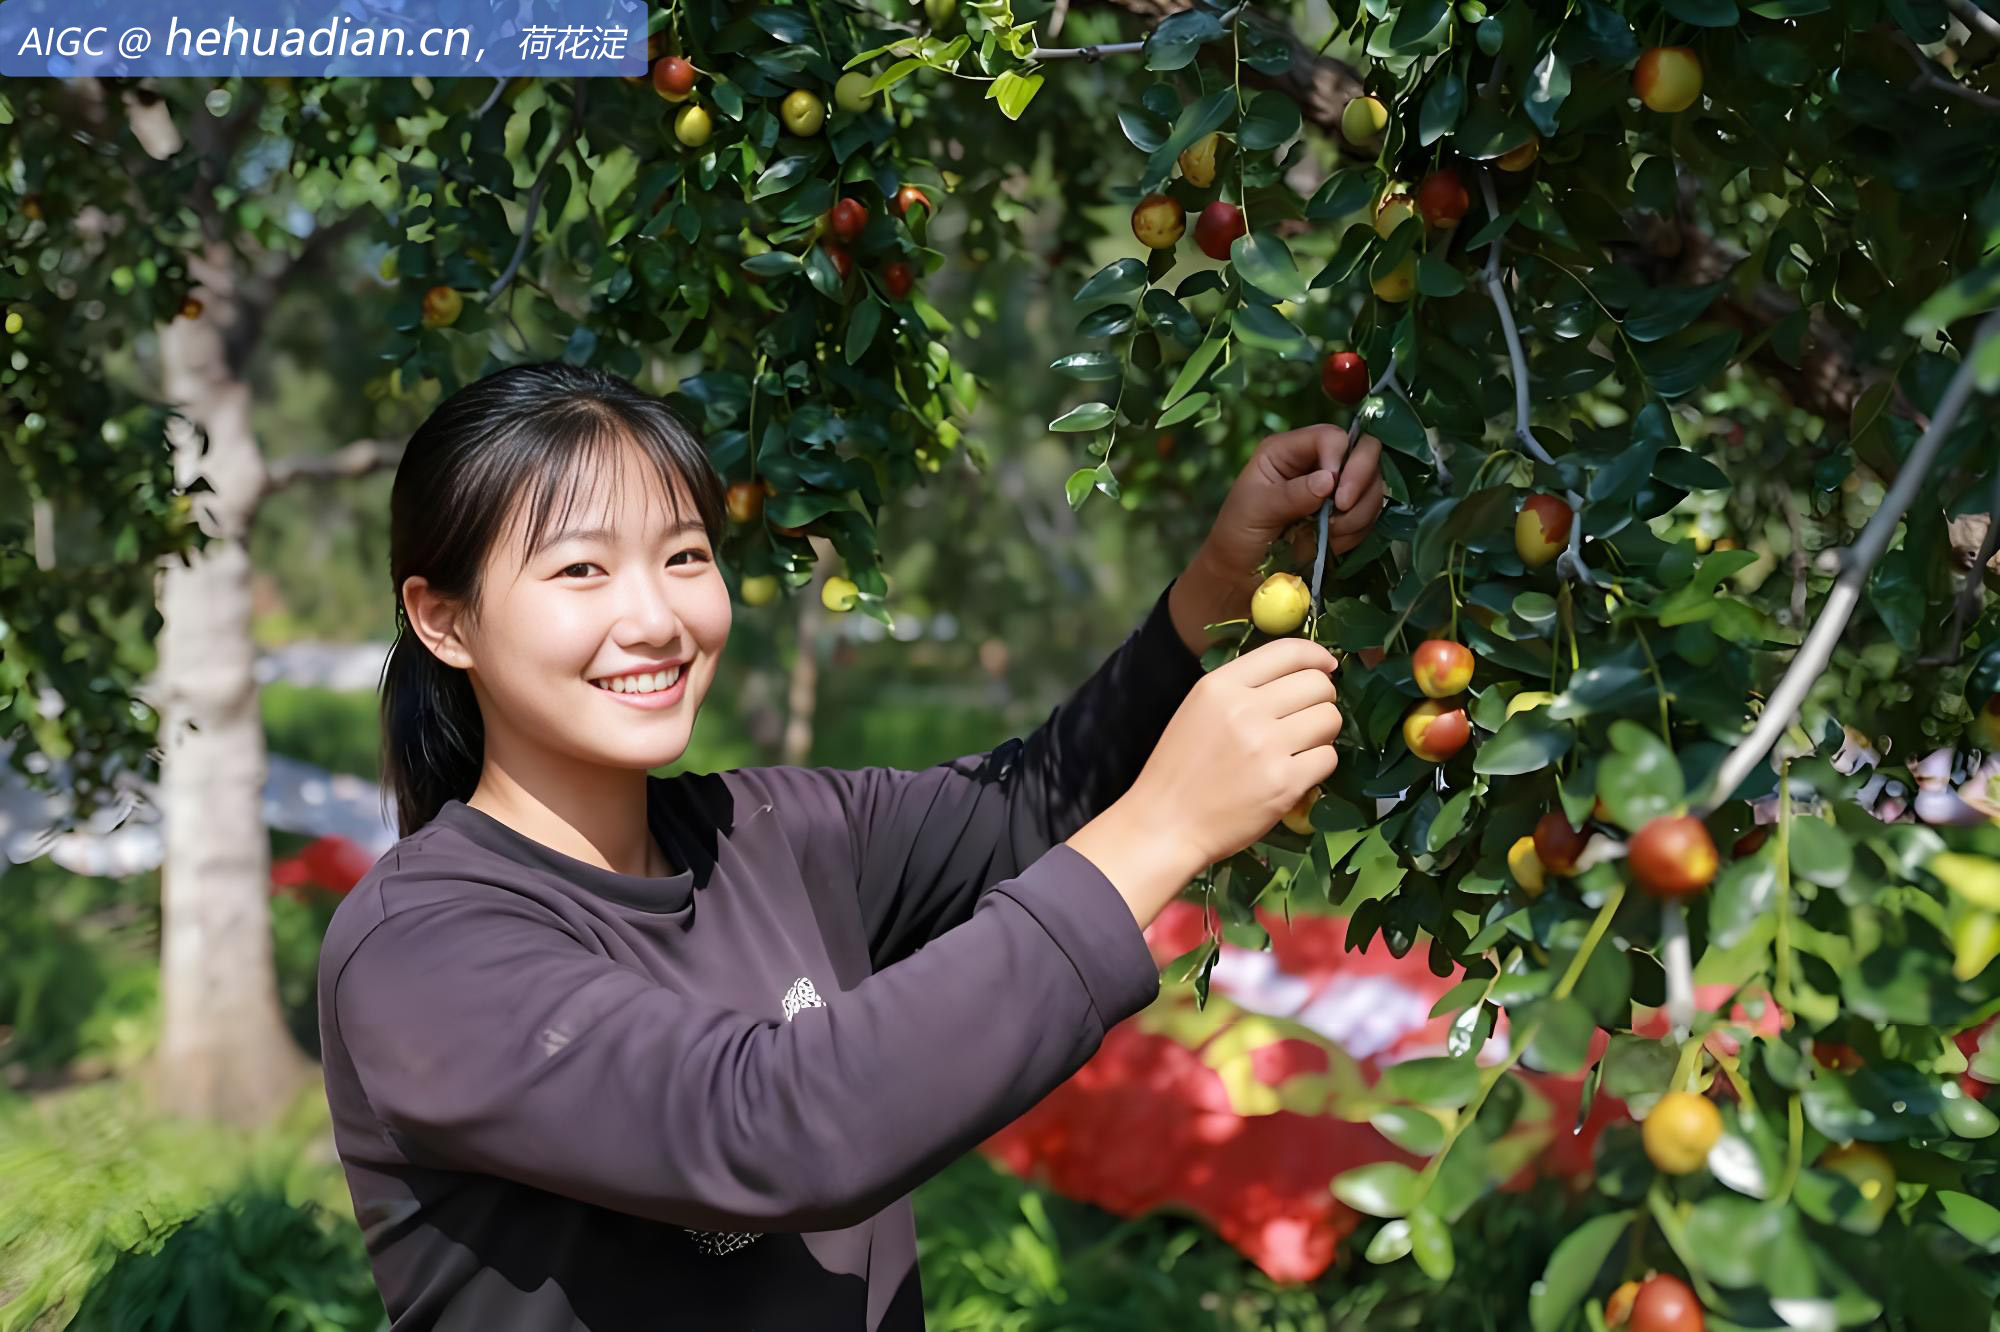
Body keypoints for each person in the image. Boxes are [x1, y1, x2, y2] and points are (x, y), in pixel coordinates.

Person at [317, 361, 1385, 1330]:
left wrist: (1218, 585)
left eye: (683, 555)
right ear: (443, 620)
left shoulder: (765, 833)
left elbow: (1022, 812)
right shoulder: (424, 951)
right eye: (581, 572)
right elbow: (776, 1130)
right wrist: (1165, 828)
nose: (653, 617)